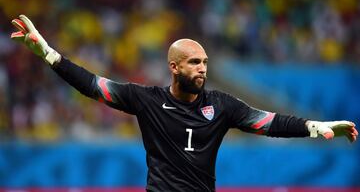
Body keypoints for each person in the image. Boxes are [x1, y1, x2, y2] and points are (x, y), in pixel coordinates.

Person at [10, 15, 358, 192]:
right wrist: (48, 53)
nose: (202, 68)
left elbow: (269, 123)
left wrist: (317, 127)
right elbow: (92, 86)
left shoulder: (222, 105)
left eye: (205, 62)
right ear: (174, 66)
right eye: (194, 62)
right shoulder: (146, 99)